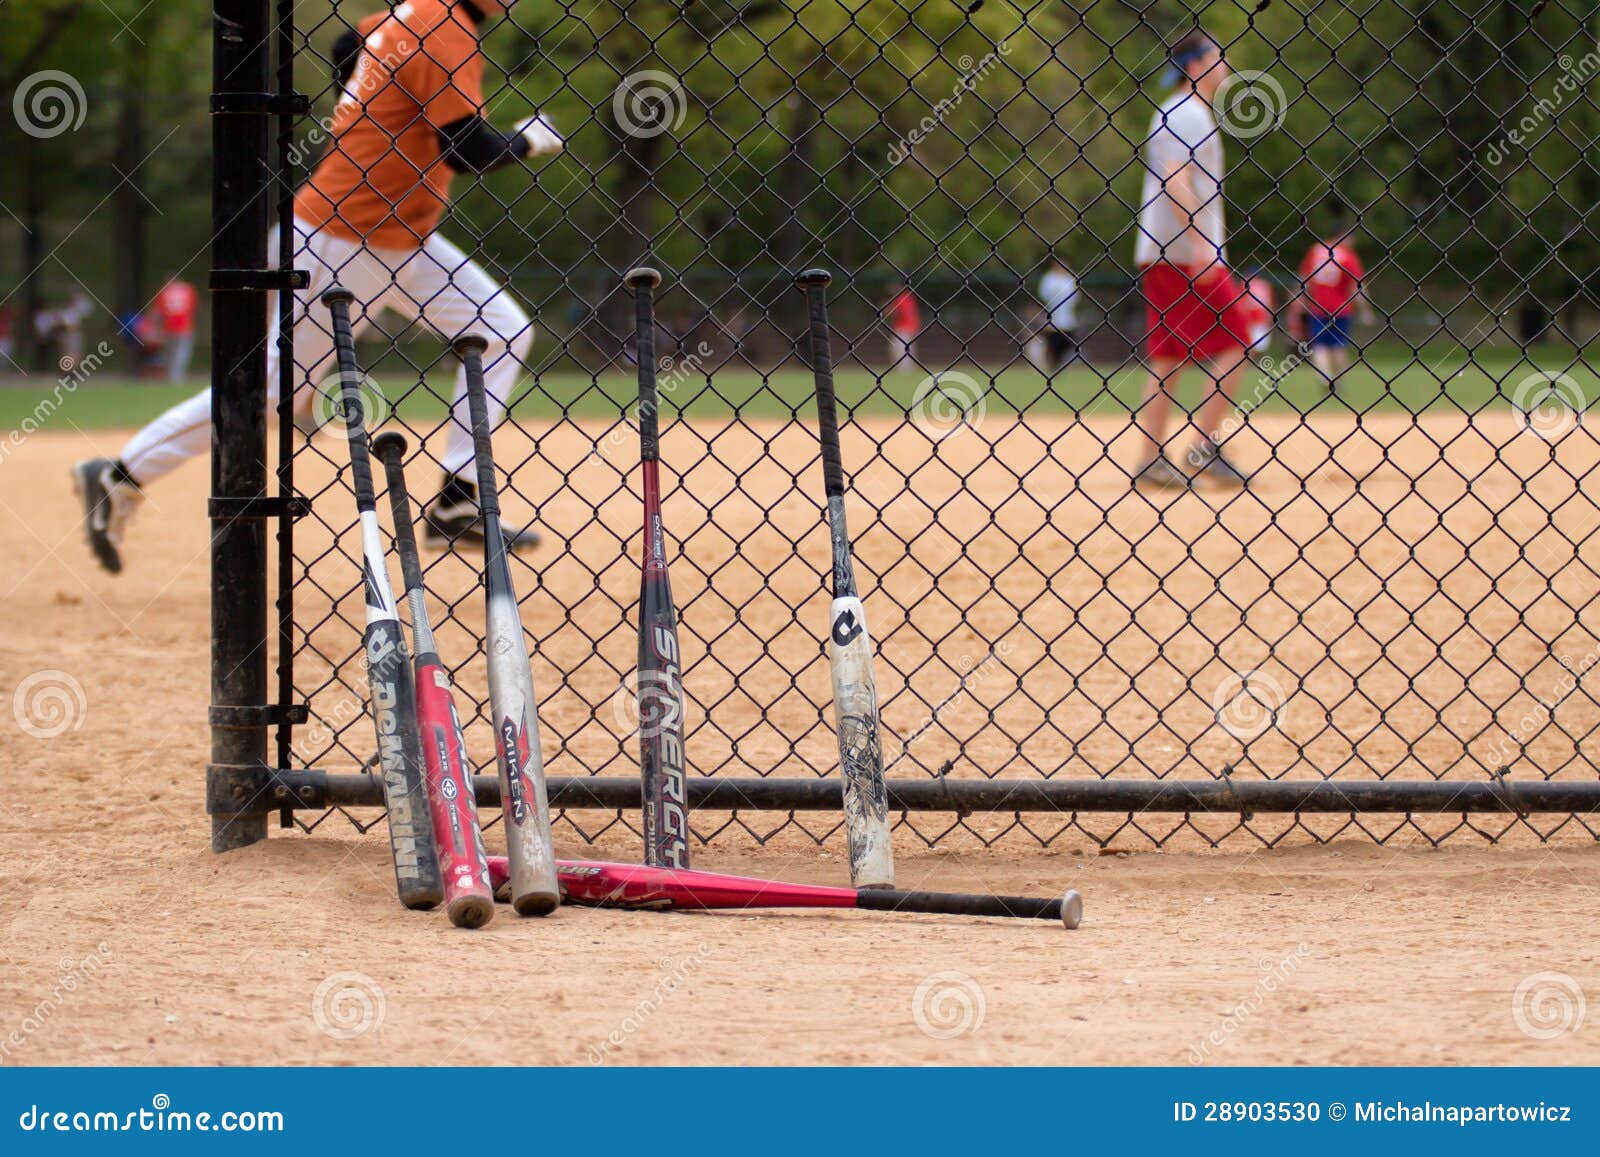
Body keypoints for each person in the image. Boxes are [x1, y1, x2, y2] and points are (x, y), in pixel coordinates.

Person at [73, 0, 563, 574]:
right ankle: (120, 474)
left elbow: (342, 49)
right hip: (344, 235)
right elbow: (467, 149)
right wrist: (531, 139)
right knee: (277, 391)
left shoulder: (408, 14)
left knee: (501, 329)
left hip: (400, 235)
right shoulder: (445, 25)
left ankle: (457, 499)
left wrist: (368, 117)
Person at [1130, 29, 1254, 489]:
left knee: (1171, 357)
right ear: (1197, 65)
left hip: (1173, 252)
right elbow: (1175, 179)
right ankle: (1203, 447)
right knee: (1238, 341)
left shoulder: (1184, 114)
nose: (1226, 66)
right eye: (1219, 58)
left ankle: (1151, 459)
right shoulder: (1185, 115)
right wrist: (1203, 244)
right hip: (1182, 254)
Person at [1293, 230, 1372, 393]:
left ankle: (1325, 376)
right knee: (1339, 345)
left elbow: (1304, 278)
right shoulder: (1347, 256)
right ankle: (1338, 380)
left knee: (1319, 344)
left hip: (1318, 307)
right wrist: (1365, 309)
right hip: (1341, 309)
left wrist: (1299, 300)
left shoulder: (1316, 251)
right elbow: (1356, 286)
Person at [1037, 257, 1079, 372]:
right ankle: (1051, 363)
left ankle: (1058, 362)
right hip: (1053, 317)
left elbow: (1074, 298)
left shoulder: (1069, 279)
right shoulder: (1049, 279)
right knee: (1053, 342)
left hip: (1067, 318)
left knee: (1068, 342)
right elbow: (1043, 295)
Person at [155, 274, 199, 383]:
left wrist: (158, 327)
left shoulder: (164, 291)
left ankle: (170, 376)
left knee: (169, 353)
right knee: (181, 353)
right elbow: (193, 309)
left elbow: (158, 313)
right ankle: (177, 377)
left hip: (168, 327)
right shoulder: (188, 289)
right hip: (185, 326)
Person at [1241, 268, 1276, 362]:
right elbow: (1270, 304)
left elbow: (1241, 303)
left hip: (1250, 318)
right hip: (1260, 318)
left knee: (1252, 344)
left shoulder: (1245, 284)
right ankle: (1249, 361)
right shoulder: (1265, 285)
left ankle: (1248, 361)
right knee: (1256, 344)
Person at [885, 281, 921, 371]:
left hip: (904, 327)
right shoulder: (906, 298)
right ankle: (905, 369)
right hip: (907, 327)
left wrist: (888, 310)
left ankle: (905, 369)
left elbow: (900, 312)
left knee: (900, 349)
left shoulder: (902, 299)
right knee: (903, 348)